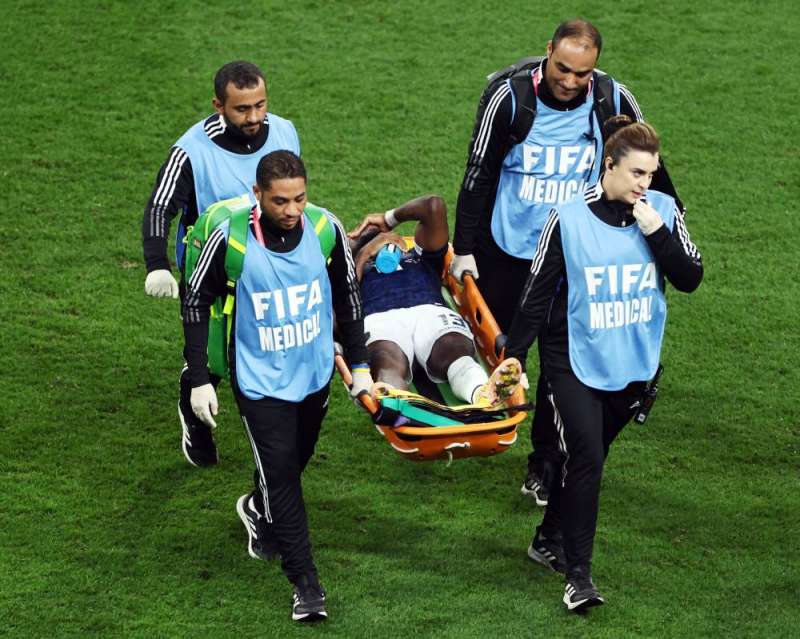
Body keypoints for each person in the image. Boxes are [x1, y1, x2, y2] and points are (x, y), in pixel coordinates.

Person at [450, 18, 686, 507]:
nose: (571, 81)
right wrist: (464, 248)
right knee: (506, 348)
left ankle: (545, 462)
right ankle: (489, 419)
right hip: (511, 249)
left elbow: (649, 163)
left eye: (583, 73)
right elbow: (479, 173)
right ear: (548, 52)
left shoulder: (613, 98)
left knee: (563, 363)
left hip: (577, 251)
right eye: (563, 68)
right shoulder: (509, 98)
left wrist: (674, 219)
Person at [503, 117, 703, 611]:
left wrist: (657, 233)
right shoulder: (568, 218)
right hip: (572, 360)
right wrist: (514, 358)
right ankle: (579, 578)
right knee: (588, 457)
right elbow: (536, 293)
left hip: (633, 363)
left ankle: (547, 538)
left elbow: (690, 277)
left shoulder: (662, 211)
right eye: (636, 173)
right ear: (608, 165)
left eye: (650, 174)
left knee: (585, 461)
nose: (644, 183)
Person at [183, 151, 372, 622]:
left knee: (293, 463)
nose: (292, 210)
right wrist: (200, 378)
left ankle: (256, 507)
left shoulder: (325, 228)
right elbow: (195, 302)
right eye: (280, 201)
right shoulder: (231, 240)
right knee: (284, 476)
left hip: (313, 375)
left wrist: (361, 364)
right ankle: (306, 585)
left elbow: (348, 296)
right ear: (258, 194)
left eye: (299, 199)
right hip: (259, 381)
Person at [142, 60, 301, 468]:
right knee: (213, 355)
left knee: (271, 341)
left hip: (269, 262)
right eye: (242, 109)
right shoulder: (191, 151)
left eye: (260, 105)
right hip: (210, 269)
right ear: (218, 106)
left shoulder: (285, 131)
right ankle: (193, 402)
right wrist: (157, 264)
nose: (254, 117)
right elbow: (160, 206)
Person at [347, 195, 522, 406]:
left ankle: (482, 393)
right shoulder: (354, 270)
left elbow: (433, 206)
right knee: (386, 361)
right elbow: (343, 301)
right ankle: (392, 401)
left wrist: (389, 219)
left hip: (430, 311)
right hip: (381, 318)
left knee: (455, 353)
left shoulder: (421, 256)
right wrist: (363, 254)